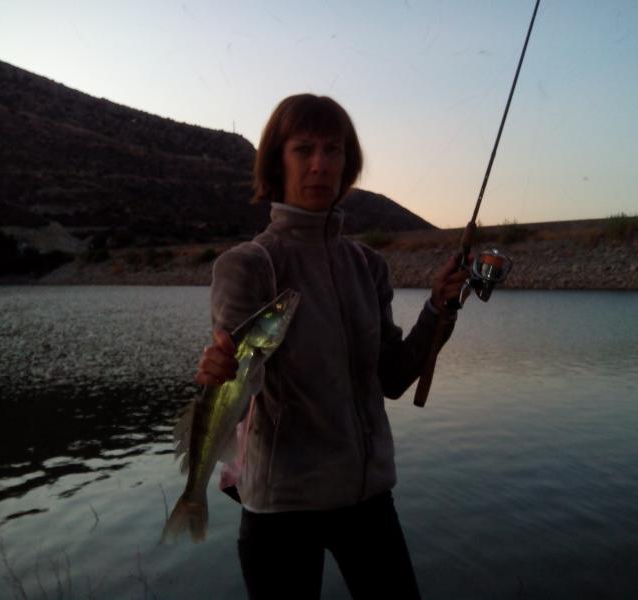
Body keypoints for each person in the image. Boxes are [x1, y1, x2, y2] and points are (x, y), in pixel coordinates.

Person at [195, 94, 469, 599]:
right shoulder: (247, 265)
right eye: (303, 150)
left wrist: (437, 310)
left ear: (348, 163)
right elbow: (236, 377)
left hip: (367, 499)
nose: (320, 164)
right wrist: (221, 368)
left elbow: (393, 377)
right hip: (282, 508)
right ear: (277, 162)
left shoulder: (368, 266)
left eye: (333, 150)